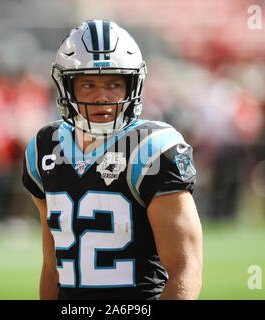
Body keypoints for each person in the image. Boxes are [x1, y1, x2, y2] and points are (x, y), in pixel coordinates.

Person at [22, 20, 202, 300]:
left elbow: (185, 268)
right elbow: (53, 267)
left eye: (114, 83)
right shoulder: (45, 147)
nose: (101, 96)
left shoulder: (153, 148)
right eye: (88, 84)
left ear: (132, 86)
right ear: (67, 86)